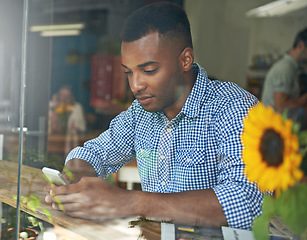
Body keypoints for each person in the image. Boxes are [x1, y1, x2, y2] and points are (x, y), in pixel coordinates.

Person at [45, 2, 262, 230]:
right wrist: (72, 179)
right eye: (128, 72)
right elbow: (94, 153)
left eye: (149, 70)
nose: (136, 85)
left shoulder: (235, 108)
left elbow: (245, 202)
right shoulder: (140, 113)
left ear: (185, 60)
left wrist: (127, 201)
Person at [261, 28, 307, 116]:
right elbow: (281, 106)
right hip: (274, 126)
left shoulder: (293, 68)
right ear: (301, 46)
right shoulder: (285, 68)